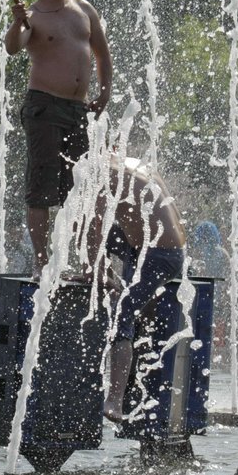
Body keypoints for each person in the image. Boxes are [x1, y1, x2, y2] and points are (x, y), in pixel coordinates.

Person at [5, 0, 112, 277]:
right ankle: (41, 263)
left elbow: (102, 53)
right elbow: (13, 46)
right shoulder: (33, 16)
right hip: (44, 107)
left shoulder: (84, 9)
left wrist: (105, 91)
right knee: (41, 189)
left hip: (78, 110)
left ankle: (90, 265)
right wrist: (16, 21)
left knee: (80, 190)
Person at [93, 158, 186, 423]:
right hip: (154, 249)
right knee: (80, 224)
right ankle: (123, 290)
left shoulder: (102, 177)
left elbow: (95, 226)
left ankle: (115, 400)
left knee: (121, 313)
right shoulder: (134, 164)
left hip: (160, 256)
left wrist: (96, 273)